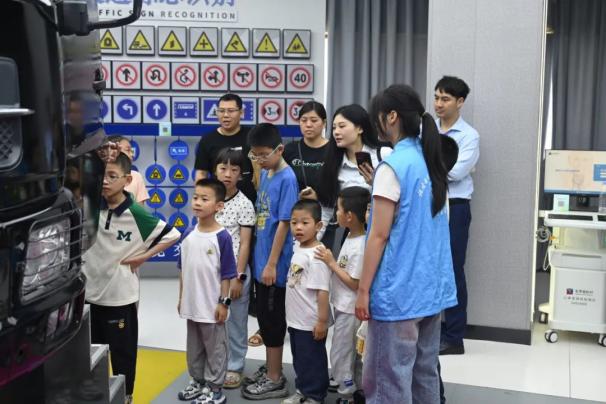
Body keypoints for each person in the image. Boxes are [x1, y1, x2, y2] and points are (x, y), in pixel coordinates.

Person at [355, 84, 457, 404]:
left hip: (398, 292)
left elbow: (379, 235)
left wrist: (363, 290)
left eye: (377, 117)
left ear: (392, 117)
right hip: (430, 288)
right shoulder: (430, 160)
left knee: (388, 379)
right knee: (424, 373)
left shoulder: (393, 166)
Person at [83, 153, 180, 404]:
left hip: (120, 298)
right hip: (89, 296)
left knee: (122, 355)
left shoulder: (136, 213)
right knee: (91, 355)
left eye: (112, 176)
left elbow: (173, 235)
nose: (105, 181)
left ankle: (126, 397)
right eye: (102, 176)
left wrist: (143, 256)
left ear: (127, 180)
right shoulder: (89, 205)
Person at [242, 123, 299, 400]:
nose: (259, 160)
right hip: (261, 258)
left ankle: (276, 379)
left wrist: (272, 264)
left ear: (280, 149)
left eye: (264, 155)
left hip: (275, 265)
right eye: (255, 155)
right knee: (264, 318)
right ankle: (271, 368)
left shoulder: (287, 178)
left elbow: (284, 224)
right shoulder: (266, 172)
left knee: (273, 322)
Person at [177, 178, 237, 404]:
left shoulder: (222, 237)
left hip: (212, 308)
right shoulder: (188, 234)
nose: (197, 202)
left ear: (219, 206)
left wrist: (223, 302)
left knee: (215, 350)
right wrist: (181, 298)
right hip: (191, 305)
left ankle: (215, 389)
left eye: (204, 199)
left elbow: (227, 274)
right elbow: (183, 269)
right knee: (194, 348)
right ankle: (198, 381)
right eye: (195, 197)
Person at [301, 104, 390, 250]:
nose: (336, 132)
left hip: (384, 235)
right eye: (334, 128)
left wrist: (375, 184)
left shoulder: (384, 155)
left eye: (342, 126)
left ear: (360, 128)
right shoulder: (333, 165)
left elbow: (399, 197)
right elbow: (327, 209)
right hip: (353, 238)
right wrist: (309, 244)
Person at [434, 76, 480, 356]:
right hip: (430, 203)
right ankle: (431, 328)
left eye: (445, 99)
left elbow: (455, 173)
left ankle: (454, 337)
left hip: (456, 205)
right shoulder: (427, 130)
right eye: (436, 97)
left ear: (460, 102)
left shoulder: (469, 136)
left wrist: (427, 168)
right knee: (429, 265)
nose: (439, 104)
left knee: (452, 269)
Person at [315, 186, 370, 404]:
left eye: (338, 209)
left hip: (350, 309)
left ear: (349, 216)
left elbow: (355, 283)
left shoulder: (361, 245)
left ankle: (347, 393)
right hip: (344, 306)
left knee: (342, 353)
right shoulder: (351, 236)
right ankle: (356, 388)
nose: (336, 213)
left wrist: (331, 263)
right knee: (348, 353)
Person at [212, 148, 256, 390]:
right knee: (212, 320)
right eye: (223, 168)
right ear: (215, 170)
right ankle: (215, 363)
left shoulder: (244, 204)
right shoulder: (209, 199)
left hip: (234, 273)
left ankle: (235, 366)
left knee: (236, 322)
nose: (228, 174)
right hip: (211, 272)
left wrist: (239, 277)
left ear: (241, 174)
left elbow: (245, 243)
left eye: (234, 169)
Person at [282, 199, 331, 404]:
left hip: (310, 321)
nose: (298, 227)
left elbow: (322, 291)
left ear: (318, 226)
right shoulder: (299, 248)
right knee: (300, 358)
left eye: (305, 222)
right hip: (296, 319)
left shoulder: (317, 255)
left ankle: (314, 395)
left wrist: (322, 321)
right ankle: (303, 390)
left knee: (312, 360)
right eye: (294, 223)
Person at [194, 93, 256, 204]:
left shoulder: (252, 137)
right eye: (221, 111)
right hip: (217, 203)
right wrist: (202, 199)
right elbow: (201, 174)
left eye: (231, 111)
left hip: (250, 202)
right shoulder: (207, 139)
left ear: (241, 112)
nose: (226, 115)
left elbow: (261, 172)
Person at [283, 101, 329, 192]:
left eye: (314, 120)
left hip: (325, 201)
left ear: (324, 123)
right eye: (304, 120)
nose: (308, 125)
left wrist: (318, 197)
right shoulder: (289, 150)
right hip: (296, 200)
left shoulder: (334, 150)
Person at [106, 135, 149, 205]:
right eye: (127, 150)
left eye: (132, 151)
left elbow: (140, 208)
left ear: (128, 179)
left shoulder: (136, 176)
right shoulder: (98, 174)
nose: (132, 155)